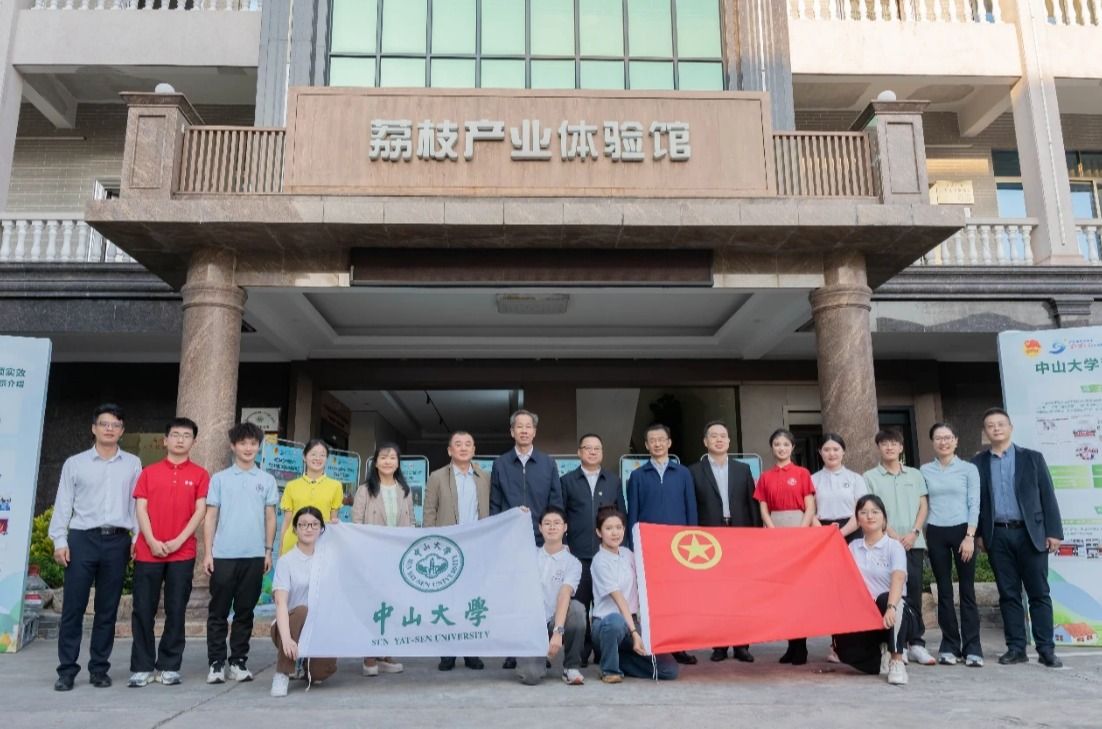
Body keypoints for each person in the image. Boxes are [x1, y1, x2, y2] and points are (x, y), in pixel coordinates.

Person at [49, 404, 142, 691]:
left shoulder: (132, 464)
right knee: (73, 608)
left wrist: (137, 537)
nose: (109, 429)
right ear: (94, 428)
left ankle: (99, 668)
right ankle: (67, 671)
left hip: (117, 540)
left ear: (122, 431)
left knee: (107, 609)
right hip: (82, 539)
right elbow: (63, 503)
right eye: (104, 424)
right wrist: (59, 540)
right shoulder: (75, 463)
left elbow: (136, 504)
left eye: (115, 425)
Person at [972, 407, 1064, 668]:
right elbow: (976, 502)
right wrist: (979, 534)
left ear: (1010, 428)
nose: (996, 429)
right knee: (1008, 594)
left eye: (1001, 424)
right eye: (991, 425)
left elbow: (1047, 495)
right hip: (997, 535)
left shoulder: (1032, 458)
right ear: (985, 431)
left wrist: (1053, 532)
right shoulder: (978, 463)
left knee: (1039, 593)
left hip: (1030, 534)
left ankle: (1046, 649)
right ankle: (1016, 648)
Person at [128, 417, 209, 688]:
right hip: (148, 551)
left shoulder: (200, 474)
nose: (180, 440)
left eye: (186, 435)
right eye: (175, 435)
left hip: (182, 552)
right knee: (143, 609)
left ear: (193, 442)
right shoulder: (149, 472)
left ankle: (169, 665)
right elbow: (141, 508)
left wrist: (179, 540)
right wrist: (151, 540)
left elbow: (200, 510)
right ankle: (141, 666)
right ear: (165, 440)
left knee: (176, 610)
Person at [203, 422, 278, 684]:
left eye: (253, 443)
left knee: (245, 612)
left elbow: (270, 517)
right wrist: (208, 553)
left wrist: (268, 551)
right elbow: (210, 516)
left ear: (259, 446)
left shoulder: (266, 480)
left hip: (254, 555)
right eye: (243, 443)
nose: (248, 448)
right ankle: (216, 663)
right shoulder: (220, 479)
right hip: (223, 555)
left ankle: (238, 662)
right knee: (218, 611)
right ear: (233, 446)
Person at [490, 409, 564, 669]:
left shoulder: (547, 463)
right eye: (519, 426)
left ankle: (540, 648)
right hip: (511, 541)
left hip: (541, 540)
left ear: (534, 431)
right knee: (514, 597)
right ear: (512, 432)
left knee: (541, 596)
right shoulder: (500, 464)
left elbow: (556, 502)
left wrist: (553, 536)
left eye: (528, 426)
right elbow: (495, 504)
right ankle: (513, 650)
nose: (524, 430)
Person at [625, 422, 699, 665]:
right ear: (646, 445)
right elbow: (633, 514)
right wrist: (634, 547)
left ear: (669, 443)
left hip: (680, 547)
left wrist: (693, 541)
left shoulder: (683, 473)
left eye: (661, 440)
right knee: (652, 599)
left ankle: (679, 646)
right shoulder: (637, 476)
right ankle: (654, 643)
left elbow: (691, 509)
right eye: (652, 440)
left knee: (679, 597)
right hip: (650, 548)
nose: (657, 444)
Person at [862, 428, 936, 667]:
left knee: (913, 592)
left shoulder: (914, 474)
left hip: (914, 542)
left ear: (901, 447)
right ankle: (898, 644)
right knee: (892, 594)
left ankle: (917, 643)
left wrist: (914, 532)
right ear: (879, 448)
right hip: (885, 543)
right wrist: (892, 535)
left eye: (894, 443)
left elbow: (923, 506)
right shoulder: (870, 477)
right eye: (884, 444)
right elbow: (871, 510)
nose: (889, 447)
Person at [688, 420, 760, 663]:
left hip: (739, 534)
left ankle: (742, 645)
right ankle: (719, 645)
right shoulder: (694, 471)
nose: (719, 440)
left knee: (741, 592)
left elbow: (752, 505)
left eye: (723, 436)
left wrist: (754, 537)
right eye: (713, 436)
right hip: (709, 539)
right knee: (715, 592)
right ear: (705, 441)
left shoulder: (743, 469)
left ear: (729, 441)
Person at [834, 495, 921, 686]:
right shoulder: (853, 547)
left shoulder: (894, 546)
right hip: (866, 614)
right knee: (844, 651)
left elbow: (898, 579)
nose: (869, 516)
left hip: (896, 611)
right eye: (863, 512)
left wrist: (890, 607)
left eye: (875, 512)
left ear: (884, 519)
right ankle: (881, 659)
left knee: (885, 598)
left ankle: (897, 660)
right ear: (858, 520)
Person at [424, 430, 490, 671]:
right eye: (458, 444)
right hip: (446, 550)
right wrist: (429, 545)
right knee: (448, 601)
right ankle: (448, 652)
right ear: (450, 450)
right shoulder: (437, 477)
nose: (463, 448)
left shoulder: (484, 477)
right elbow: (429, 512)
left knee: (472, 600)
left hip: (475, 547)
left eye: (468, 444)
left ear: (474, 450)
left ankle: (472, 652)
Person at [590, 506, 679, 683]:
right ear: (599, 532)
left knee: (669, 669)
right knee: (615, 621)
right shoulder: (599, 561)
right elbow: (620, 600)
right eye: (608, 528)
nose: (615, 533)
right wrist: (635, 633)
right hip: (607, 625)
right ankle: (610, 670)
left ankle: (614, 658)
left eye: (619, 527)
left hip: (631, 623)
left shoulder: (628, 554)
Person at [920, 421, 983, 667]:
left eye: (948, 438)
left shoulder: (968, 469)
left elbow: (974, 503)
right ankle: (949, 645)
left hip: (962, 531)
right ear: (933, 442)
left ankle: (973, 646)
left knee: (967, 590)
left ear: (956, 441)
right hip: (936, 531)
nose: (943, 442)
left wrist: (970, 536)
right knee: (944, 591)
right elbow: (923, 504)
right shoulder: (925, 470)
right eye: (938, 438)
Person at [560, 433, 625, 667]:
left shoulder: (613, 480)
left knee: (605, 604)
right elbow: (560, 515)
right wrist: (564, 543)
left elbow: (621, 514)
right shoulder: (567, 481)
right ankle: (581, 653)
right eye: (587, 448)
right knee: (581, 605)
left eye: (597, 448)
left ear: (602, 453)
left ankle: (602, 650)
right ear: (579, 452)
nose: (592, 452)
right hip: (578, 554)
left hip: (606, 556)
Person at [753, 427, 816, 665]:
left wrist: (801, 531)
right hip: (775, 528)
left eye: (786, 444)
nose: (781, 448)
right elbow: (763, 508)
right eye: (777, 444)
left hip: (799, 527)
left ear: (792, 447)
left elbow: (810, 507)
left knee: (800, 590)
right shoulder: (765, 476)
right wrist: (771, 530)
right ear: (772, 448)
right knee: (783, 591)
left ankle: (801, 646)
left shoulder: (802, 473)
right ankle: (790, 645)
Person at [351, 443, 413, 677]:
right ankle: (369, 653)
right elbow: (356, 524)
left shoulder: (405, 490)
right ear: (375, 462)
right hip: (371, 557)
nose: (388, 461)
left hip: (397, 558)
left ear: (398, 463)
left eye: (392, 458)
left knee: (392, 605)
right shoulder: (364, 490)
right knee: (371, 605)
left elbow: (411, 522)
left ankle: (385, 652)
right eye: (383, 458)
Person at [270, 506, 338, 697]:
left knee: (321, 673)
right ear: (295, 529)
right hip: (289, 625)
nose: (309, 529)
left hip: (317, 628)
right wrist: (286, 639)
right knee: (302, 611)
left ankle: (304, 663)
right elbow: (281, 603)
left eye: (315, 524)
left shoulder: (328, 560)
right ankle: (282, 673)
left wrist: (340, 529)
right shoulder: (286, 561)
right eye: (303, 525)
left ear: (322, 529)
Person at [517, 507, 587, 686]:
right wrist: (518, 517)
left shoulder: (573, 563)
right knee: (530, 676)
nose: (552, 527)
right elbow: (509, 540)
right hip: (531, 625)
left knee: (577, 609)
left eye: (557, 523)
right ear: (540, 528)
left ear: (565, 527)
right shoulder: (528, 555)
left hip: (555, 621)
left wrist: (558, 631)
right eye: (547, 523)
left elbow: (564, 594)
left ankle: (571, 666)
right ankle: (540, 658)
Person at [278, 439, 343, 555]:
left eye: (322, 455)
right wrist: (281, 551)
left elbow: (333, 522)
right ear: (304, 457)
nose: (318, 458)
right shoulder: (291, 486)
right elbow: (287, 522)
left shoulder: (336, 486)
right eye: (313, 454)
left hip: (321, 546)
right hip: (293, 545)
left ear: (326, 459)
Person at [811, 433, 867, 543]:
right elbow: (809, 512)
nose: (831, 453)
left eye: (836, 449)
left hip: (851, 530)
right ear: (820, 452)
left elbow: (861, 510)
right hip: (822, 531)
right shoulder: (812, 479)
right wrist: (825, 532)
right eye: (826, 450)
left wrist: (840, 533)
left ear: (843, 451)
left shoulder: (856, 478)